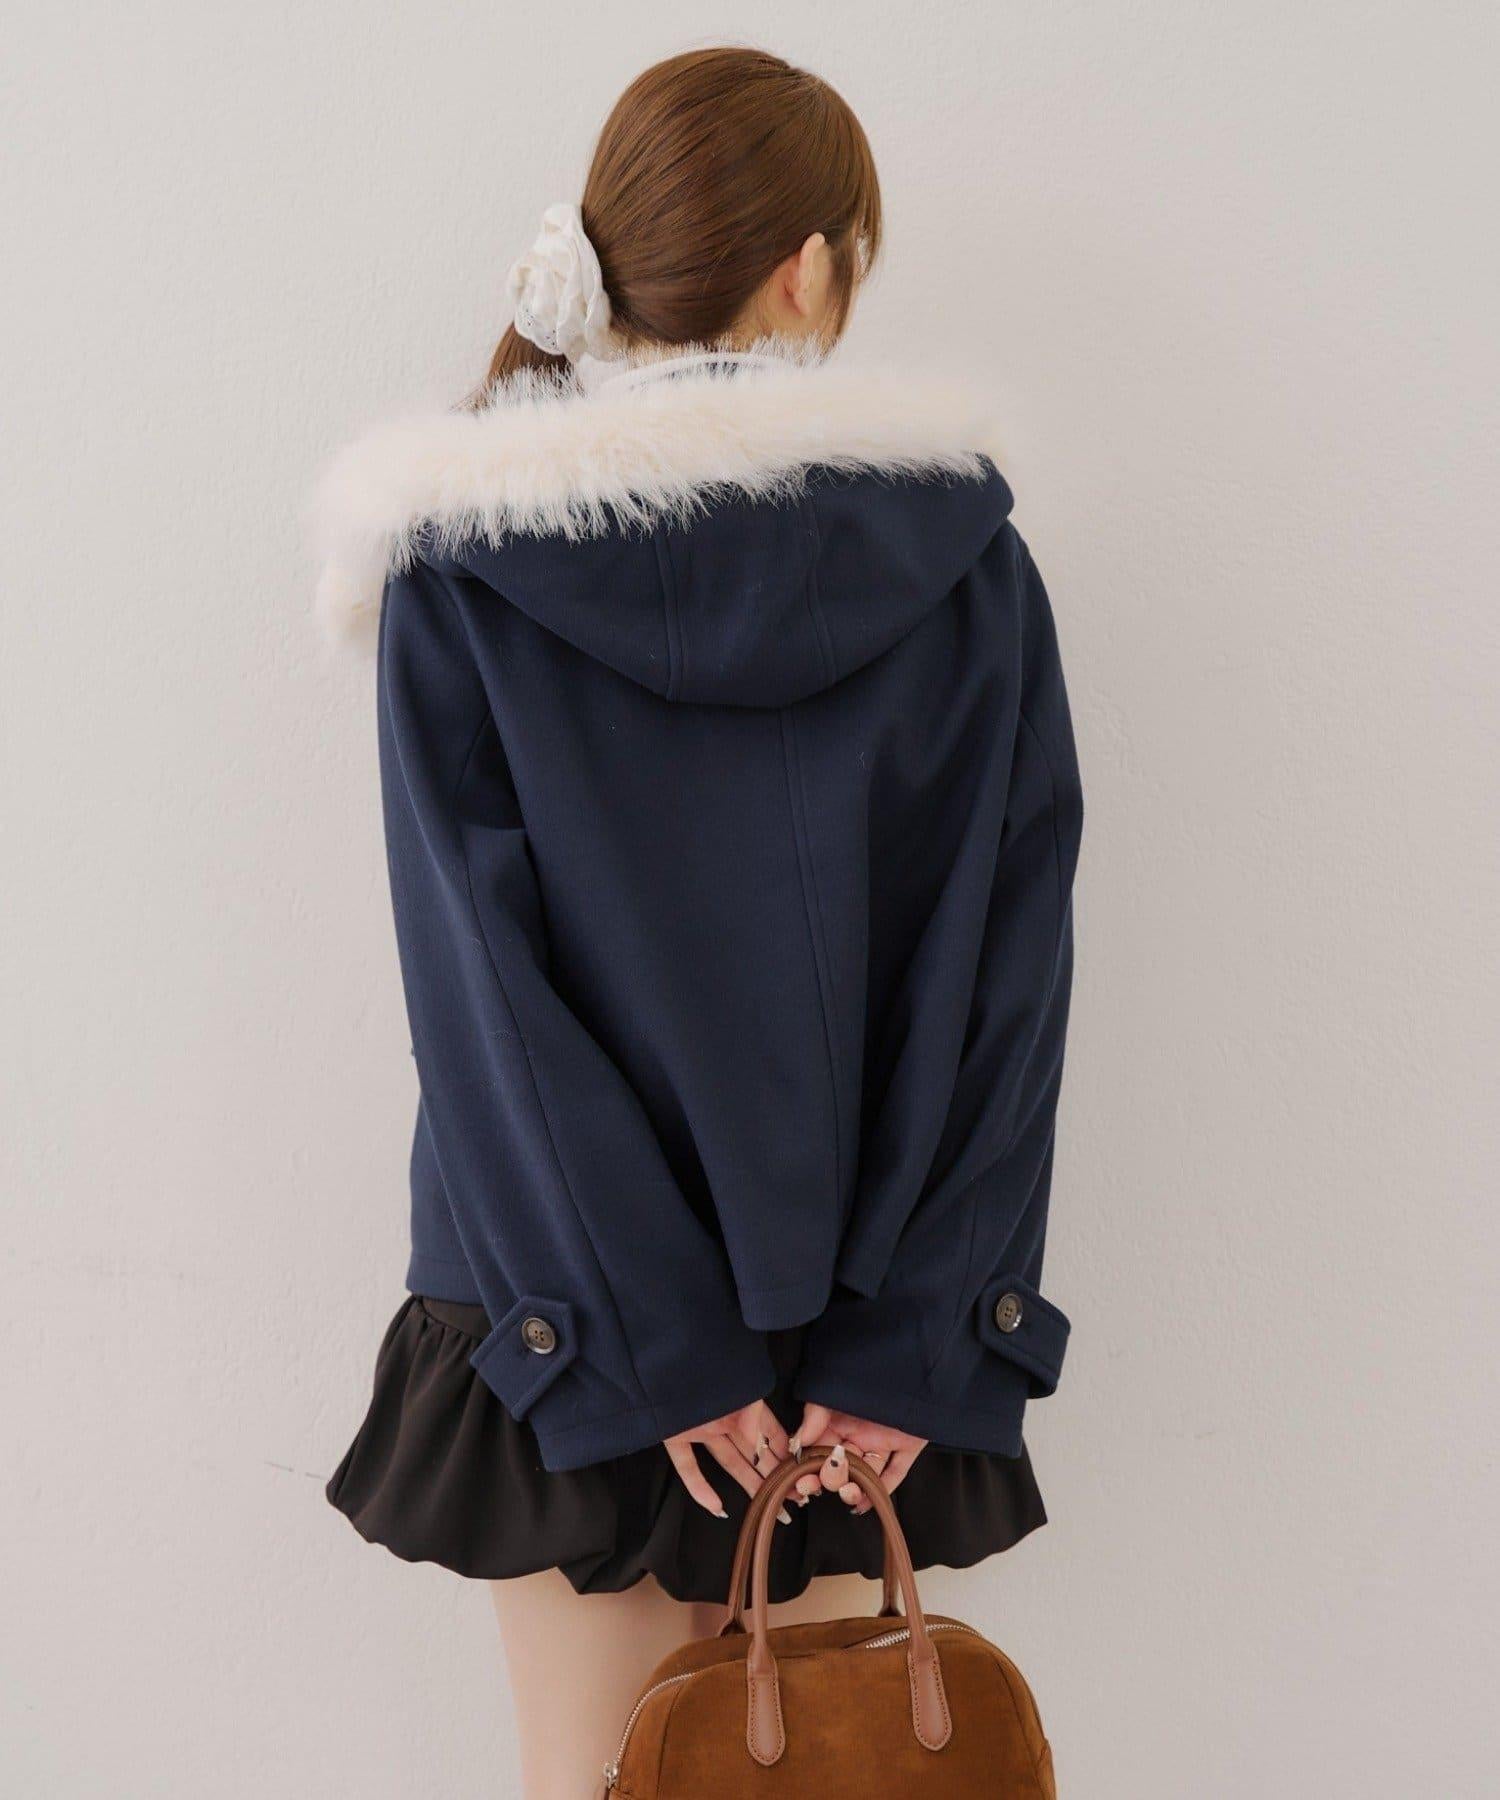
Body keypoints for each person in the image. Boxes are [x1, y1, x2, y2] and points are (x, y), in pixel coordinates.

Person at [318, 45, 1082, 1797]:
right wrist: (919, 1338)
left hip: (557, 1312)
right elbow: (1007, 982)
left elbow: (481, 993)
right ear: (811, 268)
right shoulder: (968, 567)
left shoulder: (466, 566)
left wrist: (637, 1341)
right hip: (858, 1339)